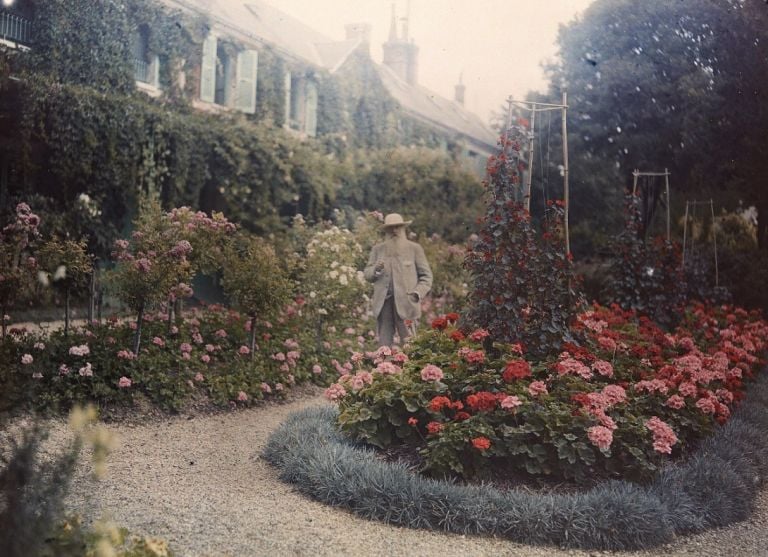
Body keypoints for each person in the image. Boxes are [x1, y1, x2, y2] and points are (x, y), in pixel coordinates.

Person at [364, 213, 433, 347]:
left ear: (403, 229)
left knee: (409, 343)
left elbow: (426, 276)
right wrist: (376, 270)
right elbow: (367, 274)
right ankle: (384, 367)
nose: (394, 231)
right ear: (386, 231)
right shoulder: (378, 249)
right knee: (384, 344)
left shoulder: (414, 249)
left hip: (407, 302)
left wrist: (417, 293)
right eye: (390, 228)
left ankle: (411, 367)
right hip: (384, 303)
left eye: (397, 227)